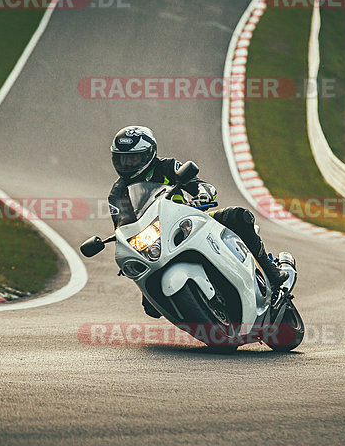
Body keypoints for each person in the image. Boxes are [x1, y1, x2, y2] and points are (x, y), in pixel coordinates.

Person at [107, 125, 288, 318]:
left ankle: (270, 270)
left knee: (239, 216)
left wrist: (203, 194)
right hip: (157, 240)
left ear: (149, 154)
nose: (127, 164)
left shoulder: (167, 167)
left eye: (133, 158)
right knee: (151, 308)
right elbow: (123, 228)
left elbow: (201, 184)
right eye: (121, 158)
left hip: (189, 222)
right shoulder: (117, 194)